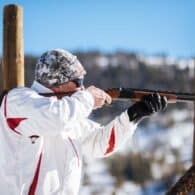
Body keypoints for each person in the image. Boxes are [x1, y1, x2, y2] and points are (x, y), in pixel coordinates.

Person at [0, 49, 167, 195]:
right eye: (78, 82)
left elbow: (102, 143)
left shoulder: (69, 116)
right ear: (58, 82)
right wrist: (87, 99)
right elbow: (55, 118)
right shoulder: (18, 100)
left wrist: (134, 115)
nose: (82, 88)